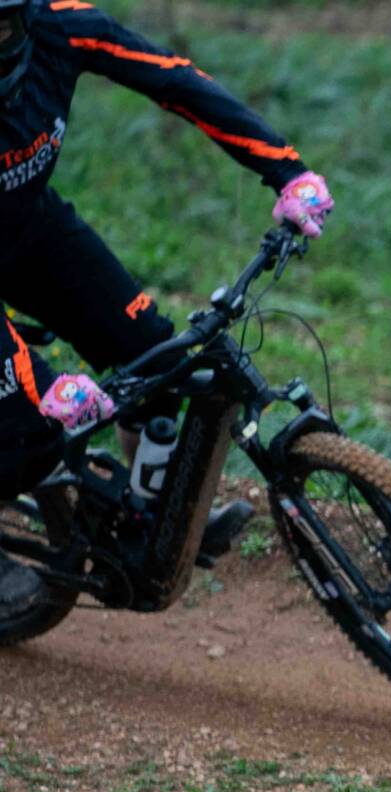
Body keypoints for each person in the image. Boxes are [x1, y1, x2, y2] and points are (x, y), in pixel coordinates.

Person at [0, 0, 333, 623]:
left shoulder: (60, 26)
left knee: (153, 360)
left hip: (27, 230)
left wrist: (288, 172)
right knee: (25, 436)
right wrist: (40, 385)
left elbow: (174, 80)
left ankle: (152, 515)